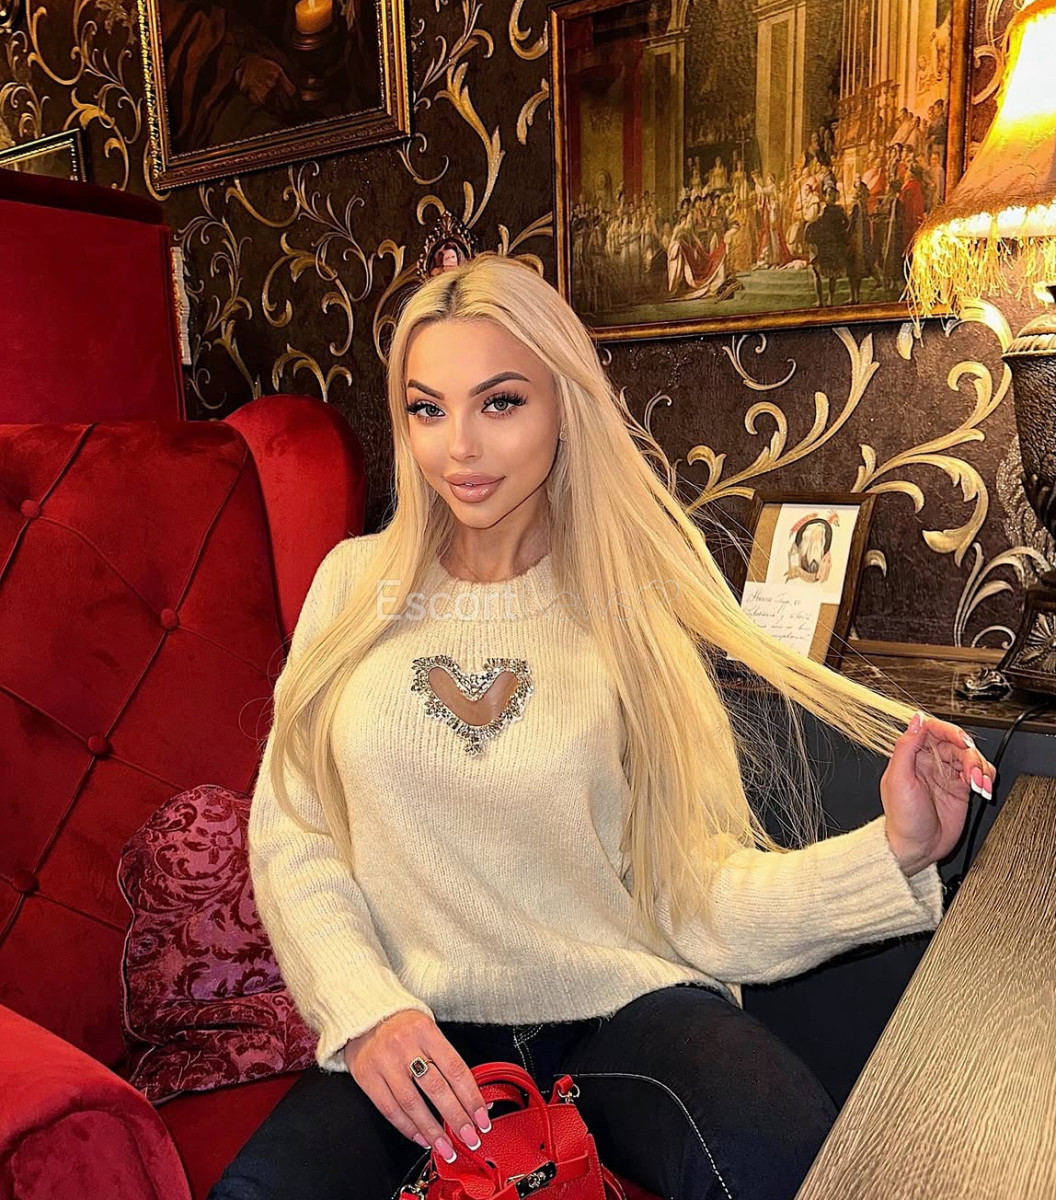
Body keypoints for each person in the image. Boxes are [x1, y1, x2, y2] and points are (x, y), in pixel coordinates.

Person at [209, 254, 996, 1200]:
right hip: (417, 1019)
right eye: (427, 409)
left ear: (564, 406)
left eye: (500, 403)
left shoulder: (628, 606)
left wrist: (896, 850)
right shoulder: (350, 585)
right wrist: (367, 1010)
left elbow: (693, 891)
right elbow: (293, 835)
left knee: (784, 1155)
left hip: (621, 1010)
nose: (459, 447)